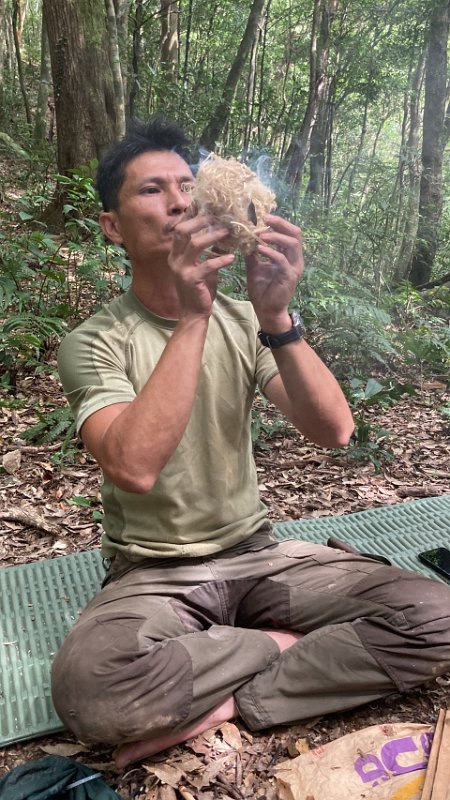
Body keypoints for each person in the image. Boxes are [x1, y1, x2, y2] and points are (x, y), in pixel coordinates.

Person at [52, 117, 450, 769]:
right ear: (112, 227)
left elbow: (335, 431)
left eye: (187, 186)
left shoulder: (245, 323)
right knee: (92, 691)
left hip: (258, 556)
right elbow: (134, 467)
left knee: (438, 615)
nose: (179, 202)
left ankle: (236, 697)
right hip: (154, 571)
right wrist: (194, 315)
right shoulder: (95, 342)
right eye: (152, 190)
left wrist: (275, 317)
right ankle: (282, 646)